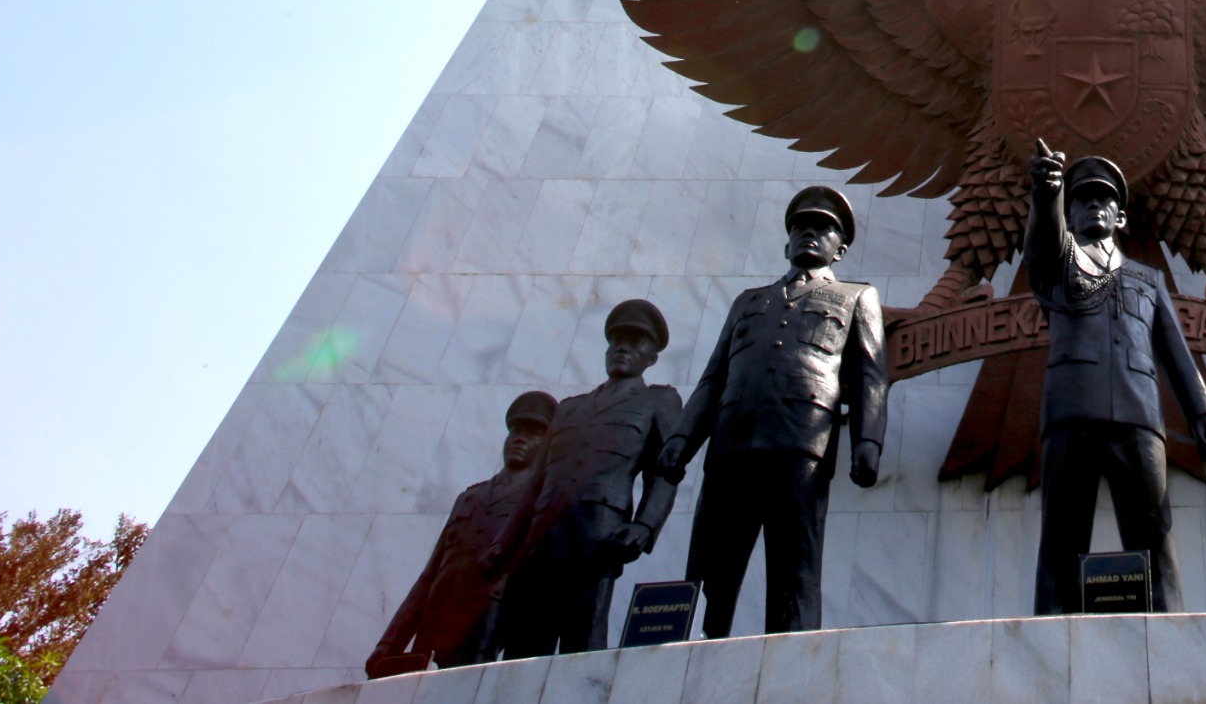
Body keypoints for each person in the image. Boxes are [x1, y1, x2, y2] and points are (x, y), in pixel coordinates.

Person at [665, 185, 888, 637]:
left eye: (823, 228)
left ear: (840, 248)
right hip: (732, 444)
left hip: (801, 443)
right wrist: (680, 441)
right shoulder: (748, 302)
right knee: (713, 568)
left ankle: (794, 661)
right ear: (786, 242)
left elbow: (871, 374)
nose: (810, 233)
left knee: (795, 567)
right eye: (801, 227)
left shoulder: (856, 297)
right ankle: (701, 654)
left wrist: (867, 441)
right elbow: (713, 378)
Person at [1025, 139, 1206, 613]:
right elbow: (1040, 243)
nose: (1094, 205)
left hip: (1139, 419)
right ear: (1069, 216)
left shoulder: (1148, 278)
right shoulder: (1057, 265)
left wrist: (1204, 415)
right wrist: (1045, 191)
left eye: (1104, 200)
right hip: (1071, 414)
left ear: (1121, 218)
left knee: (1155, 535)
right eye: (1082, 200)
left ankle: (1169, 633)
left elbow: (1177, 353)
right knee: (1061, 539)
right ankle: (1052, 637)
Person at [492, 299, 685, 656]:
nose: (622, 348)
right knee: (523, 648)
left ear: (652, 358)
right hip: (542, 539)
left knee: (582, 642)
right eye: (616, 340)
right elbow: (536, 482)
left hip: (599, 535)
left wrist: (645, 526)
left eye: (635, 340)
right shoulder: (569, 409)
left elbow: (666, 472)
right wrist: (505, 540)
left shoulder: (659, 401)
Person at [366, 391, 556, 676]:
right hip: (437, 622)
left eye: (532, 433)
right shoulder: (469, 498)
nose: (520, 439)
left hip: (487, 622)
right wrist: (390, 643)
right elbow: (430, 575)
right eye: (516, 430)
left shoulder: (543, 497)